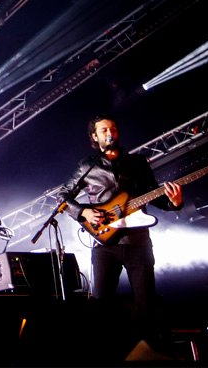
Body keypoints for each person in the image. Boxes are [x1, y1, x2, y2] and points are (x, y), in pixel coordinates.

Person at [57, 114, 182, 351]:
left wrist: (174, 203)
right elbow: (63, 197)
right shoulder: (87, 166)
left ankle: (148, 353)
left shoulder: (137, 163)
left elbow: (154, 194)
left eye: (113, 129)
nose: (110, 133)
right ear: (94, 136)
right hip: (105, 244)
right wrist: (84, 212)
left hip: (138, 242)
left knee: (146, 304)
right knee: (101, 305)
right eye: (104, 130)